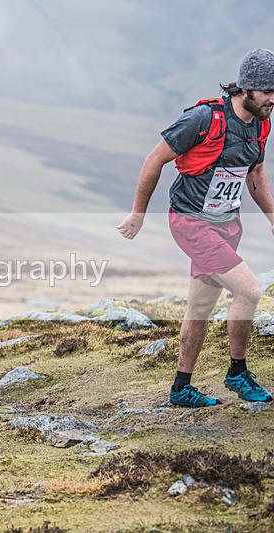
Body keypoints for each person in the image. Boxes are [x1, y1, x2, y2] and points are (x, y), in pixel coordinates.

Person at [118, 49, 274, 407]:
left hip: (227, 224)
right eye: (267, 91)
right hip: (191, 222)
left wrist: (271, 216)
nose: (273, 98)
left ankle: (181, 388)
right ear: (247, 88)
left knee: (200, 308)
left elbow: (256, 173)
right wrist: (138, 214)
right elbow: (154, 159)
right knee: (250, 291)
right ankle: (237, 372)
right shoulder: (203, 118)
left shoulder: (262, 123)